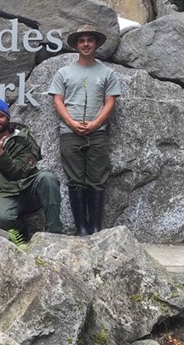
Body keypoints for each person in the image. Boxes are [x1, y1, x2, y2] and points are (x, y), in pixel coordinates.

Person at [48, 24, 122, 236]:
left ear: (96, 43)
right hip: (70, 134)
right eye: (82, 41)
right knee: (75, 180)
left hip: (98, 133)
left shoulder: (107, 73)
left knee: (98, 179)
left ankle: (96, 227)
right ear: (76, 45)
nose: (86, 44)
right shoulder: (63, 73)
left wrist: (96, 123)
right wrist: (71, 122)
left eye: (90, 40)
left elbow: (110, 101)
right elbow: (58, 100)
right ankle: (81, 228)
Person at [0, 99, 62, 239]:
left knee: (48, 178)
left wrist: (0, 154)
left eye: (0, 116)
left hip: (28, 185)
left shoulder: (24, 139)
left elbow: (20, 172)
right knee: (1, 218)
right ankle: (23, 235)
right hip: (4, 190)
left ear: (7, 118)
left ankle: (54, 233)